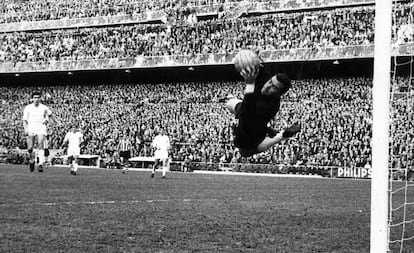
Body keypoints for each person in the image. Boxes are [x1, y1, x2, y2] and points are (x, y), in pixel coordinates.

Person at [226, 56, 300, 157]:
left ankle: (281, 136)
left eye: (274, 87)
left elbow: (246, 109)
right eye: (270, 82)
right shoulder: (266, 78)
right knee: (229, 103)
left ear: (279, 94)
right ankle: (271, 130)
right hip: (250, 116)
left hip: (250, 130)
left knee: (245, 152)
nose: (268, 86)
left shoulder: (269, 107)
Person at [22, 90, 52, 172]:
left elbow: (49, 114)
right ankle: (32, 160)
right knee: (30, 148)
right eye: (35, 98)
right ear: (32, 99)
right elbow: (24, 120)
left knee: (40, 144)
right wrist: (25, 129)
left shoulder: (44, 107)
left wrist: (46, 120)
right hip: (31, 127)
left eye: (38, 98)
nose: (36, 99)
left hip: (41, 127)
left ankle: (40, 164)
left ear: (40, 98)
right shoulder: (28, 108)